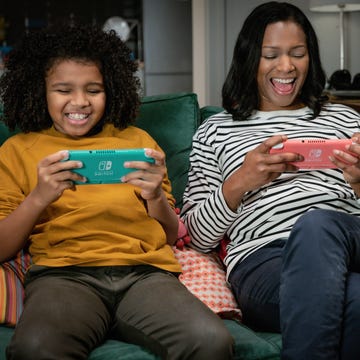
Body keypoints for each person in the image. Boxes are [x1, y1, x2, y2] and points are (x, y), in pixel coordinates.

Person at [0, 23, 234, 360]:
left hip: (145, 275)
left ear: (110, 89)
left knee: (212, 341)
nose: (79, 102)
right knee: (34, 348)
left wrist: (154, 196)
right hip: (64, 276)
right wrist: (39, 198)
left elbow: (169, 235)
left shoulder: (137, 142)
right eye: (63, 90)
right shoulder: (17, 150)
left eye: (93, 89)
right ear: (41, 91)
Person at [181, 2, 360, 359]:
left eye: (298, 53)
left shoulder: (346, 117)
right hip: (265, 261)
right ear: (250, 59)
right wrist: (241, 181)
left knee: (319, 224)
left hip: (348, 239)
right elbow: (197, 238)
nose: (286, 67)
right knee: (355, 300)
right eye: (271, 55)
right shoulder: (216, 130)